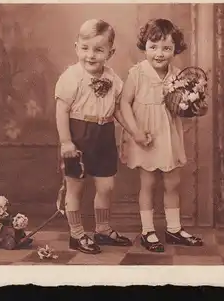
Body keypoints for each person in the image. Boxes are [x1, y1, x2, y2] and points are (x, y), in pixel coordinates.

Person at [119, 18, 204, 253]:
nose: (159, 53)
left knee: (172, 182)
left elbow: (180, 106)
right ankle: (148, 230)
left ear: (175, 49)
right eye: (153, 46)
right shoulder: (137, 74)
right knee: (148, 183)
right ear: (144, 46)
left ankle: (174, 229)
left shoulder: (178, 75)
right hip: (145, 135)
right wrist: (135, 132)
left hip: (167, 135)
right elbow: (124, 104)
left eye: (167, 48)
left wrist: (191, 103)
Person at [55, 19, 132, 255]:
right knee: (75, 187)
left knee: (106, 186)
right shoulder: (71, 76)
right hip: (78, 133)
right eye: (85, 48)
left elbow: (118, 108)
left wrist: (134, 131)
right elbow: (62, 110)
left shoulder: (112, 78)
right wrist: (66, 142)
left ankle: (102, 229)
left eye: (99, 50)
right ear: (76, 47)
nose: (91, 55)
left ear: (111, 52)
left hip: (104, 134)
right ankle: (77, 234)